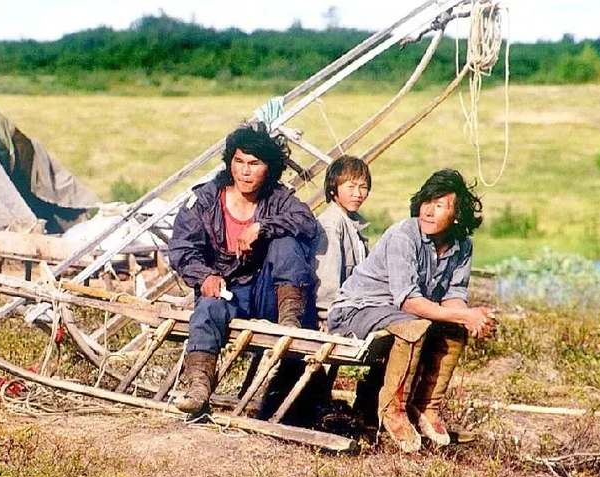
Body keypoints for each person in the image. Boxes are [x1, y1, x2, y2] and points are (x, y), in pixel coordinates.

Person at [327, 169, 498, 452]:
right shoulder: (404, 235)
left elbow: (454, 296)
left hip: (398, 314)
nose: (429, 211)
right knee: (414, 326)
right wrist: (465, 314)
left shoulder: (462, 246)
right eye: (426, 202)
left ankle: (425, 407)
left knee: (454, 329)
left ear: (457, 215)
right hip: (357, 310)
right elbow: (408, 301)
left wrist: (471, 318)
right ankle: (393, 410)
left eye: (439, 205)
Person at [168, 122, 318, 414]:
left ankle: (290, 325)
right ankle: (198, 387)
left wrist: (262, 227)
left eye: (254, 164)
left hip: (267, 292)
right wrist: (204, 276)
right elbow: (182, 249)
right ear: (229, 163)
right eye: (239, 162)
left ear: (268, 168)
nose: (245, 171)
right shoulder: (205, 201)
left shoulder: (276, 198)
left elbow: (306, 222)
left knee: (286, 241)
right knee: (207, 309)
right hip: (225, 290)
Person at [314, 155, 372, 311]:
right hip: (336, 312)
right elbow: (326, 284)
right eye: (351, 187)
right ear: (333, 188)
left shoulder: (353, 223)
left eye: (363, 187)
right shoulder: (331, 225)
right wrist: (327, 317)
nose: (358, 194)